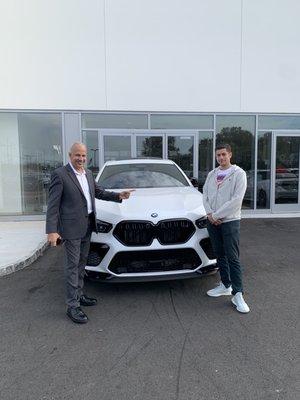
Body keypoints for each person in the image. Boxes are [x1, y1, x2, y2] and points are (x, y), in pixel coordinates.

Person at [46, 142, 134, 324]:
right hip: (70, 228)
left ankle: (79, 295)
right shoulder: (60, 175)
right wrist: (52, 230)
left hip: (88, 225)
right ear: (70, 155)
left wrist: (118, 196)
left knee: (81, 263)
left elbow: (98, 192)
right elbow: (53, 205)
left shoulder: (88, 173)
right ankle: (72, 306)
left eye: (84, 155)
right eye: (77, 155)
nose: (81, 159)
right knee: (72, 266)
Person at [202, 144, 250, 313]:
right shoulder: (212, 174)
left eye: (223, 154)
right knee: (219, 254)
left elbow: (237, 200)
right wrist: (210, 214)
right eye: (218, 155)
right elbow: (205, 194)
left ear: (230, 154)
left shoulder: (238, 174)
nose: (221, 158)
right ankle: (225, 285)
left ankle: (238, 294)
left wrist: (216, 215)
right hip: (212, 220)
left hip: (229, 221)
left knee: (232, 257)